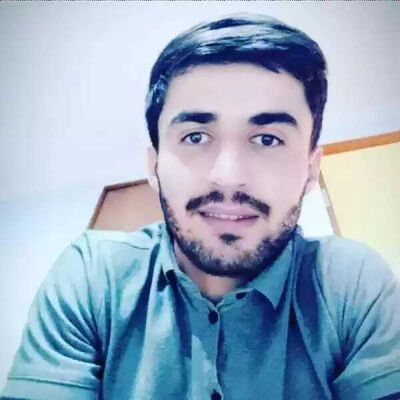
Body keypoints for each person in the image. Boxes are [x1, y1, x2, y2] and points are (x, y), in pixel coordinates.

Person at [1, 12, 399, 400]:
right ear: (154, 165)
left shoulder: (350, 283)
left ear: (310, 170)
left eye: (267, 139)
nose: (228, 176)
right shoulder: (93, 278)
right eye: (195, 137)